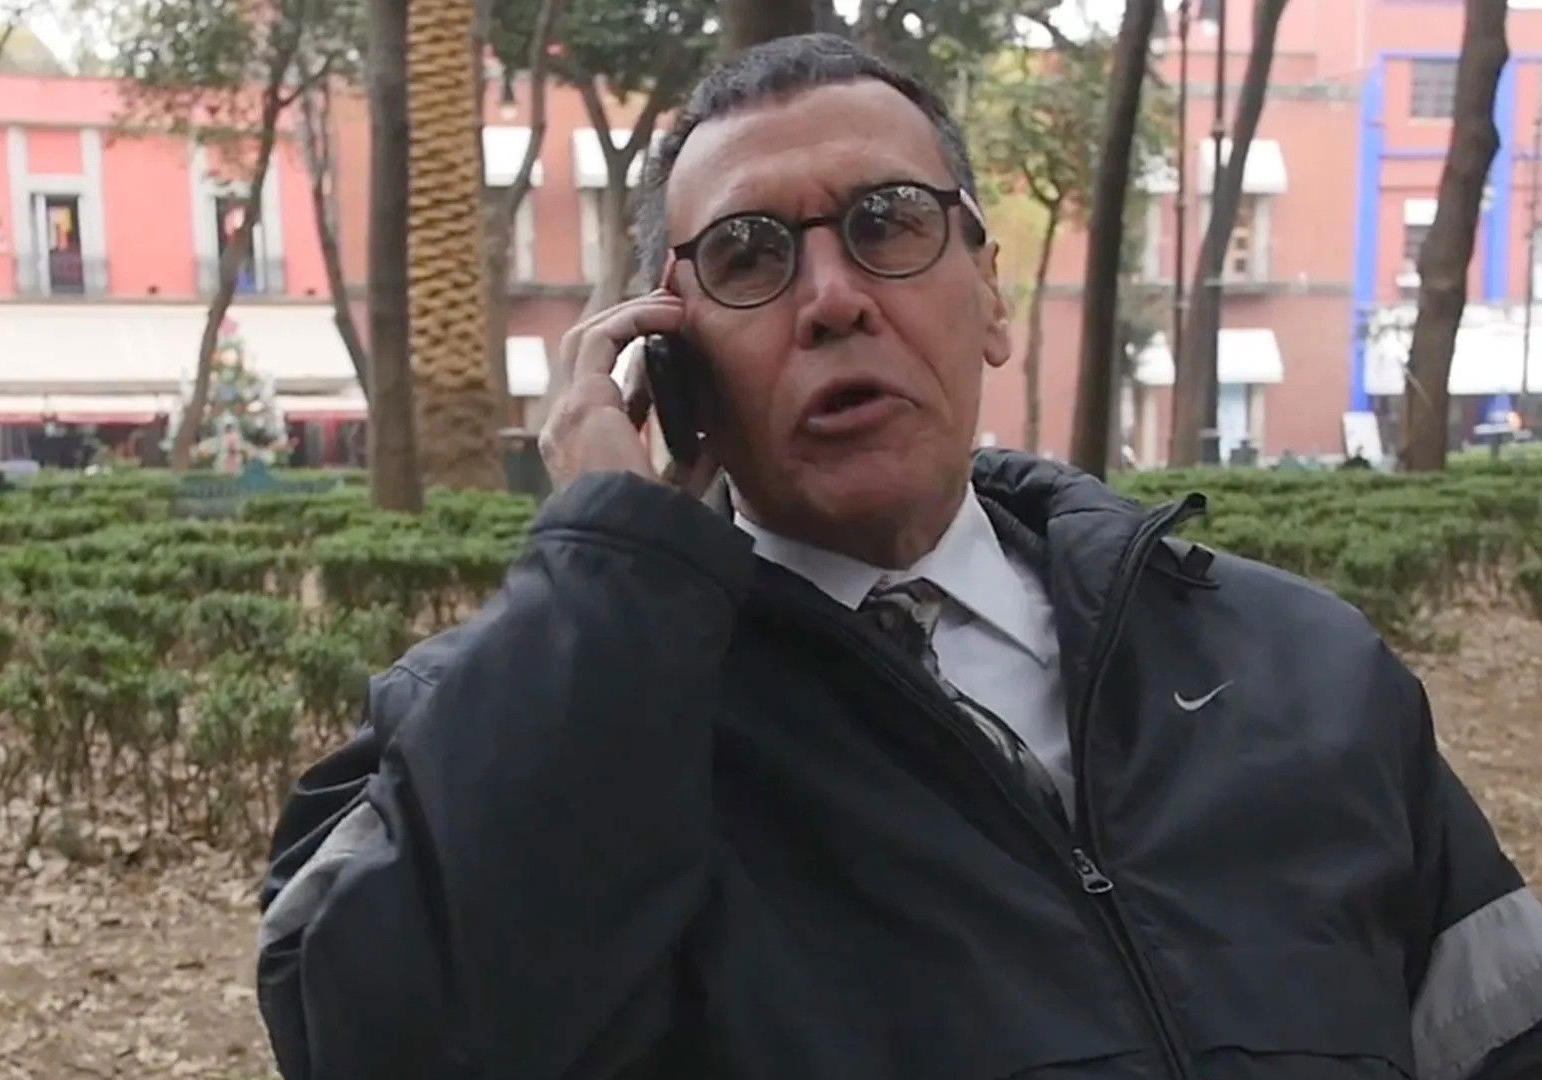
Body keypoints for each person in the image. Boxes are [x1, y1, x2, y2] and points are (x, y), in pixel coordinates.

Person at [256, 35, 1542, 1080]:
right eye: (748, 256)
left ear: (991, 295)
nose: (831, 299)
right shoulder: (517, 722)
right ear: (668, 352)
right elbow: (394, 1040)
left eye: (888, 223)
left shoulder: (1301, 668)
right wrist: (614, 570)